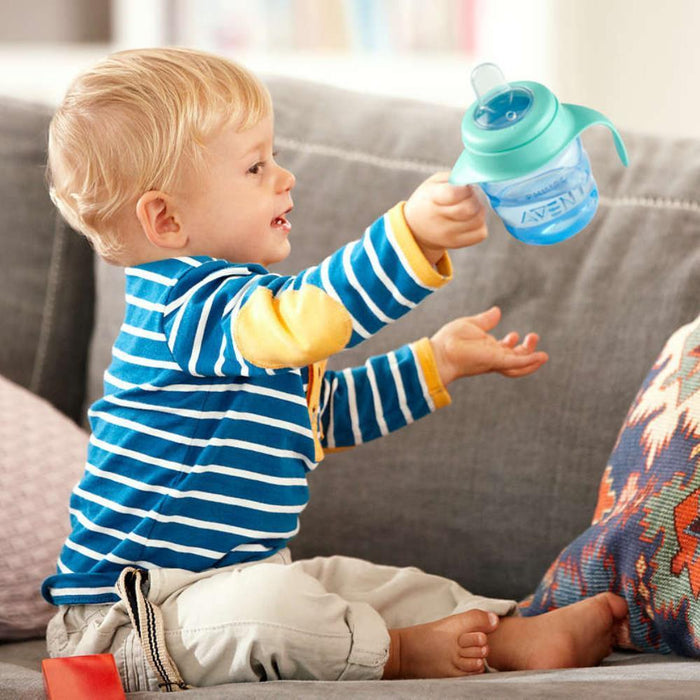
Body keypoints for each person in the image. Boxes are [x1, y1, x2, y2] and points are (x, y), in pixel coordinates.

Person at [42, 47, 627, 690]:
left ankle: (511, 638)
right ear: (167, 219)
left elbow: (324, 415)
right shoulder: (186, 308)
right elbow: (311, 318)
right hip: (129, 626)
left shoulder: (245, 330)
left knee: (366, 584)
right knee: (278, 607)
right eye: (256, 165)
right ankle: (398, 655)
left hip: (235, 587)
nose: (285, 177)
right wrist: (411, 236)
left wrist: (438, 361)